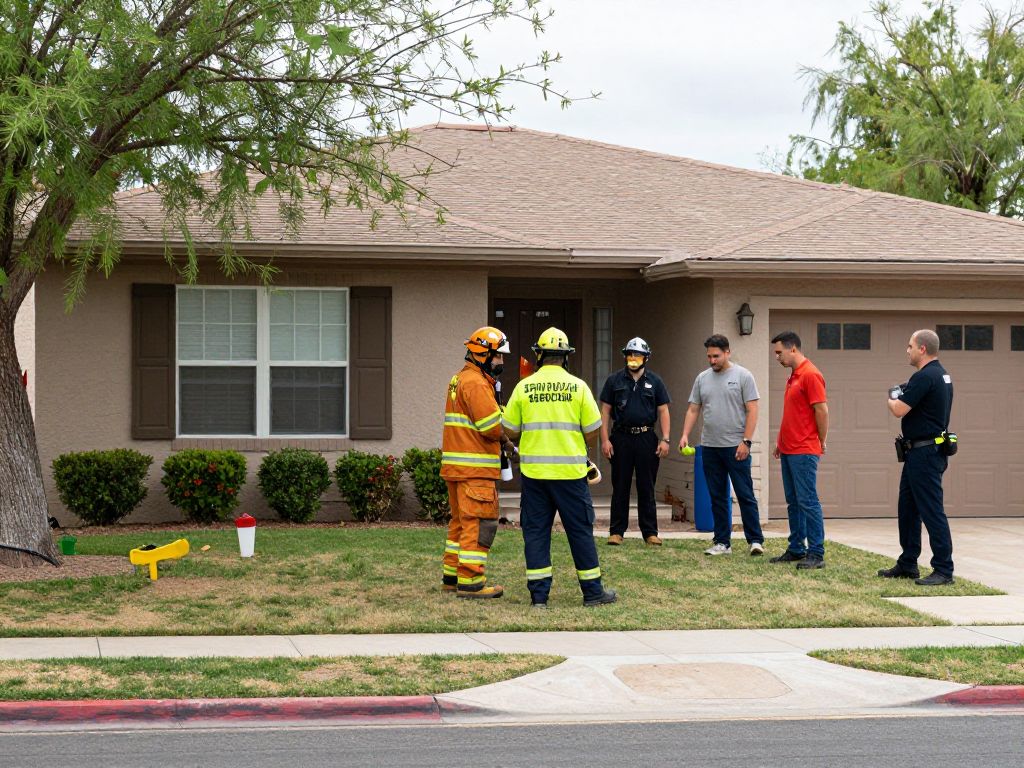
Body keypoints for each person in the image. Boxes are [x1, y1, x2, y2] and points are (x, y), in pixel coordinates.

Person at [503, 327, 617, 608]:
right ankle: (592, 593)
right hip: (570, 475)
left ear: (539, 355)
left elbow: (510, 430)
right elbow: (593, 430)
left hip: (535, 476)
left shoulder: (523, 387)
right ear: (566, 357)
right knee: (580, 532)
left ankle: (539, 598)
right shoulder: (578, 387)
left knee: (536, 534)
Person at [878, 329, 955, 586]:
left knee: (931, 510)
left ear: (922, 348)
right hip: (921, 452)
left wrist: (892, 394)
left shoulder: (924, 376)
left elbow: (898, 409)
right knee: (908, 509)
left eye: (910, 346)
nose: (907, 350)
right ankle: (908, 563)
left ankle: (943, 570)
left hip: (924, 454)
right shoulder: (941, 375)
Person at [440, 326, 512, 599]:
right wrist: (508, 429)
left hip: (457, 468)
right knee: (479, 523)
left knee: (459, 522)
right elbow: (491, 426)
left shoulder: (459, 379)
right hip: (475, 469)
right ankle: (471, 581)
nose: (501, 362)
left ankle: (452, 576)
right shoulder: (477, 384)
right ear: (483, 354)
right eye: (498, 357)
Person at [679, 334, 765, 556]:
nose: (712, 360)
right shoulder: (702, 379)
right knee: (717, 496)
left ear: (727, 352)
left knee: (745, 494)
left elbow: (752, 409)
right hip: (709, 447)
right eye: (709, 356)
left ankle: (755, 541)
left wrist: (746, 441)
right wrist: (685, 434)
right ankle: (722, 542)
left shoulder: (743, 376)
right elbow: (693, 409)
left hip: (736, 446)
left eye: (716, 356)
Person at [599, 337, 671, 546]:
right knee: (620, 485)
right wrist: (605, 440)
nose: (633, 358)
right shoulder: (614, 381)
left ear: (646, 358)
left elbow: (664, 410)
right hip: (620, 438)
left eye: (637, 355)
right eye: (629, 354)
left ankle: (650, 532)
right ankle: (616, 532)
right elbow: (605, 411)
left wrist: (665, 439)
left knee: (646, 486)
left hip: (646, 438)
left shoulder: (655, 381)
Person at [769, 331, 828, 570]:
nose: (777, 357)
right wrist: (780, 441)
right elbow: (795, 413)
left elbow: (822, 411)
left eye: (779, 352)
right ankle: (796, 548)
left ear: (793, 349)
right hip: (789, 448)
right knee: (793, 502)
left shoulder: (811, 375)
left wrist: (821, 440)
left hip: (804, 450)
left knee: (808, 501)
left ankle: (816, 553)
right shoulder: (793, 376)